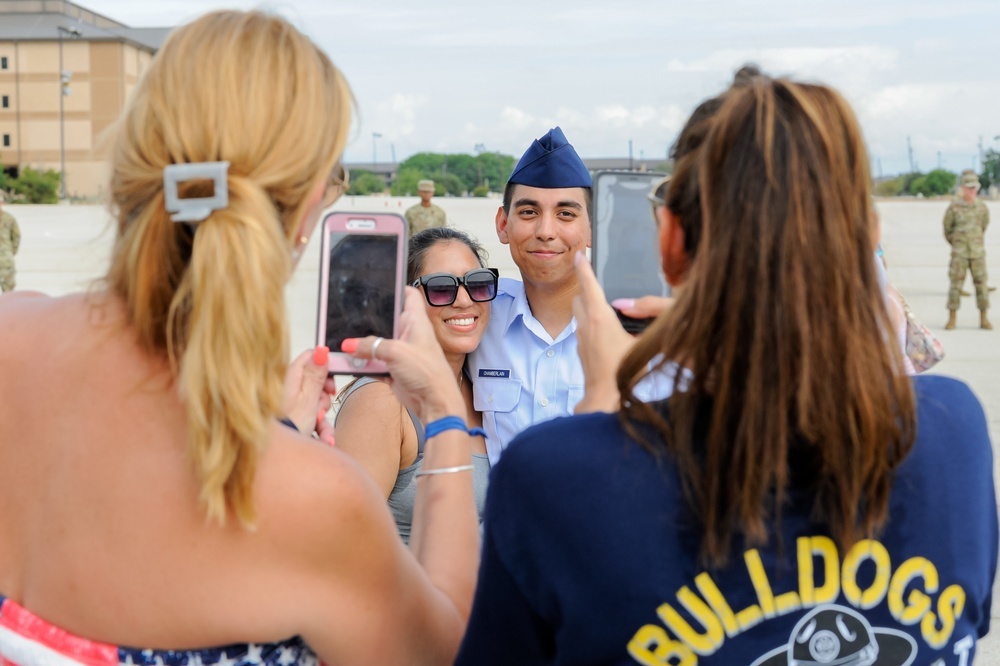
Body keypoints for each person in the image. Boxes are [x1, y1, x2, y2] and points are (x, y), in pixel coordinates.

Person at [456, 74, 996, 664]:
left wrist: (597, 423)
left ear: (670, 245)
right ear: (869, 237)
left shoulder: (554, 475)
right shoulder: (955, 430)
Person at [0, 11, 481, 665]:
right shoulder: (315, 500)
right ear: (311, 204)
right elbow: (440, 646)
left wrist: (271, 431)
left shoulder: (10, 336)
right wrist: (445, 424)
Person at [334, 227, 494, 543]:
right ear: (403, 300)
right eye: (440, 288)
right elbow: (343, 542)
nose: (464, 300)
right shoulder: (383, 400)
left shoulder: (483, 388)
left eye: (478, 283)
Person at [466, 127, 594, 463]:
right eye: (528, 212)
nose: (546, 232)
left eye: (566, 214)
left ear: (593, 228)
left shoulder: (634, 335)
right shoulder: (475, 316)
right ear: (503, 224)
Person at [944, 169, 991, 330]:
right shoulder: (954, 207)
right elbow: (947, 229)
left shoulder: (982, 207)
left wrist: (974, 242)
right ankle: (952, 318)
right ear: (963, 188)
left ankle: (983, 318)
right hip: (960, 254)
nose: (972, 191)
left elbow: (984, 226)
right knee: (955, 286)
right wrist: (957, 243)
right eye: (969, 187)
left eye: (974, 188)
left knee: (982, 286)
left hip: (977, 253)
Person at [0, 191, 20, 292]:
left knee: (8, 292)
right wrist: (11, 252)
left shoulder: (10, 219)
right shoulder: (9, 218)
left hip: (6, 260)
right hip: (6, 259)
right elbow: (16, 238)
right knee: (8, 294)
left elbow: (16, 237)